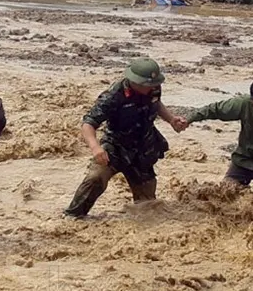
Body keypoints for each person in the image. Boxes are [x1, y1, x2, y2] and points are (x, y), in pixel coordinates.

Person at [64, 58, 183, 218]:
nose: (150, 88)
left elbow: (156, 103)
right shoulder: (113, 96)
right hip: (115, 147)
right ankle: (73, 216)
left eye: (152, 84)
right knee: (95, 178)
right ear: (134, 81)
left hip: (143, 149)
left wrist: (171, 119)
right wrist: (96, 148)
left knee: (148, 207)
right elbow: (88, 124)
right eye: (146, 85)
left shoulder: (153, 88)